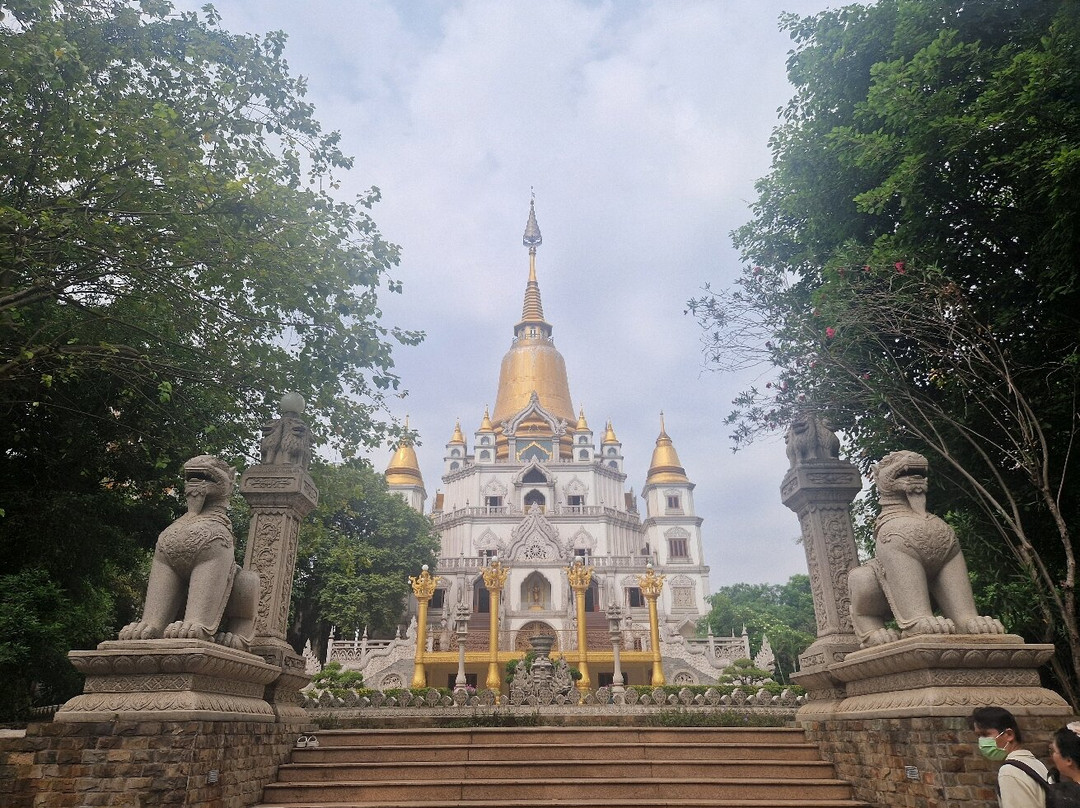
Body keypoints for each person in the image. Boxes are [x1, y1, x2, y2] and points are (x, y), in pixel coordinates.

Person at [970, 706, 1048, 808]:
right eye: (978, 736)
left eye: (985, 734)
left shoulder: (1009, 772)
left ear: (1009, 734)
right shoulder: (1036, 764)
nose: (981, 741)